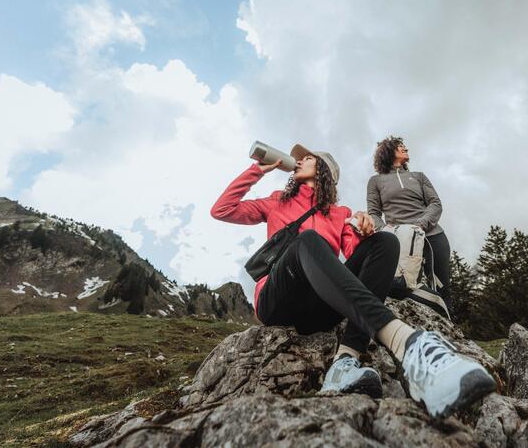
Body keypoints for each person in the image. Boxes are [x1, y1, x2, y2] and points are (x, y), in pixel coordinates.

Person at [210, 143, 495, 418]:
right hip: (277, 300)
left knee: (385, 243)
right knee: (306, 241)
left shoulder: (340, 214)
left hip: (319, 309)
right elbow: (221, 210)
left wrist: (364, 229)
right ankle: (406, 343)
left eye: (307, 158)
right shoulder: (277, 202)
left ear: (325, 170)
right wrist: (257, 170)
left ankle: (344, 361)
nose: (297, 161)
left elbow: (357, 258)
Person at [367, 136, 451, 302]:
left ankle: (447, 324)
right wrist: (387, 232)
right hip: (401, 241)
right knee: (406, 287)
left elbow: (435, 203)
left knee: (442, 287)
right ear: (388, 151)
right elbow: (374, 213)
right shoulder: (376, 181)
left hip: (432, 235)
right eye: (400, 146)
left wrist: (420, 225)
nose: (405, 148)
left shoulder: (419, 176)